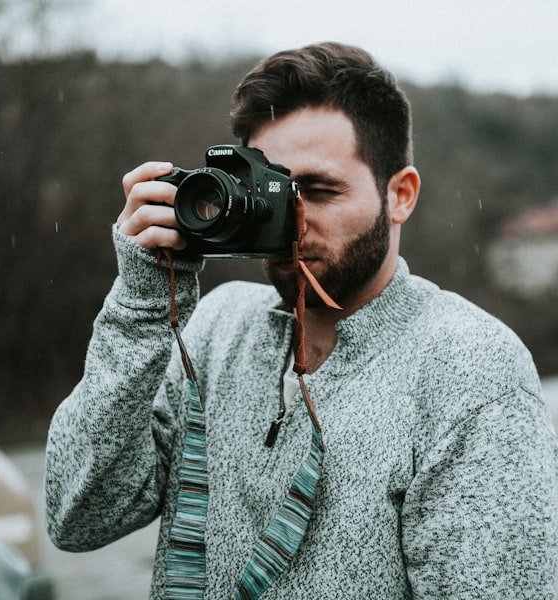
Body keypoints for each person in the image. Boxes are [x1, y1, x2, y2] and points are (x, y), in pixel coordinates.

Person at [44, 42, 558, 598]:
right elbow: (77, 518)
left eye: (316, 190)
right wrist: (140, 303)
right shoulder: (215, 329)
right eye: (272, 191)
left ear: (400, 195)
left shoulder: (472, 371)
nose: (291, 221)